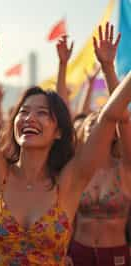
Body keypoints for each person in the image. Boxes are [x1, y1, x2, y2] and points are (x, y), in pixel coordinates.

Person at [0, 34, 131, 266]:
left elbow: (109, 116)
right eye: (23, 112)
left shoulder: (68, 182)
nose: (29, 118)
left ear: (58, 131)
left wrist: (108, 67)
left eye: (42, 113)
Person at [66, 22, 131, 266]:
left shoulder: (124, 169)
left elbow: (121, 116)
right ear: (80, 133)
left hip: (114, 255)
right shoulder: (75, 171)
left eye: (102, 121)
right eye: (90, 123)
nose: (96, 125)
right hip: (76, 253)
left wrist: (107, 69)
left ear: (112, 132)